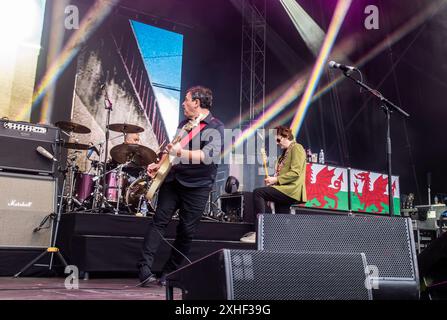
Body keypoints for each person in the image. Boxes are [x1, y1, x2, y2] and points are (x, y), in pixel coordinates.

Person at [137, 86, 224, 286]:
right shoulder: (184, 124)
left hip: (198, 186)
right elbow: (174, 146)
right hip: (174, 180)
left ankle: (170, 272)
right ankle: (144, 268)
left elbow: (207, 156)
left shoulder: (217, 127)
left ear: (197, 103)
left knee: (186, 231)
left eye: (186, 99)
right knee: (158, 221)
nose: (183, 103)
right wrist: (159, 165)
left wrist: (179, 152)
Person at [241, 126, 307, 243]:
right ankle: (282, 242)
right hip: (284, 188)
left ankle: (259, 232)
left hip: (291, 189)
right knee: (281, 218)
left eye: (278, 140)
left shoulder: (297, 148)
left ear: (286, 136)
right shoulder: (284, 154)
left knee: (258, 193)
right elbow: (280, 171)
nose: (277, 144)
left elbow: (295, 173)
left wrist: (275, 180)